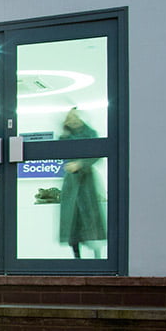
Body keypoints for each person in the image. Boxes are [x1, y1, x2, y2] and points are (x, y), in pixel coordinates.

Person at [57, 108, 106, 258]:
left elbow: (97, 154)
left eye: (75, 117)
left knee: (90, 219)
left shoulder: (91, 134)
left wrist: (80, 164)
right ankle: (76, 256)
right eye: (69, 118)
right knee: (72, 220)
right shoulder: (65, 136)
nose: (73, 121)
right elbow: (60, 150)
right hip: (71, 183)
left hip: (87, 182)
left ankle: (97, 256)